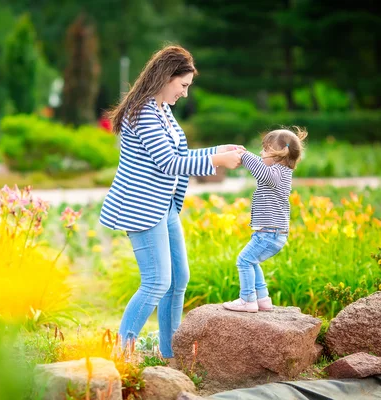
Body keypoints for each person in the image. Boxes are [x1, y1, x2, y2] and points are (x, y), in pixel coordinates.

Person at [99, 45, 245, 360]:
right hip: (141, 208)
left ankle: (169, 353)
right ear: (166, 77)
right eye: (183, 86)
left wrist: (217, 149)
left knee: (179, 279)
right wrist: (217, 159)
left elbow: (177, 153)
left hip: (162, 206)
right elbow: (168, 162)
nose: (185, 94)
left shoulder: (161, 108)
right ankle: (120, 355)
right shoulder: (142, 112)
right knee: (156, 282)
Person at [223, 126, 308, 313]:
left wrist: (244, 155)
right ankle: (262, 299)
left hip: (269, 233)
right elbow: (263, 169)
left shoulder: (276, 174)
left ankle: (247, 300)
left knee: (243, 261)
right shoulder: (281, 173)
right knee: (252, 261)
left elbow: (261, 170)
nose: (261, 153)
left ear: (278, 154)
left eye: (264, 149)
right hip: (272, 233)